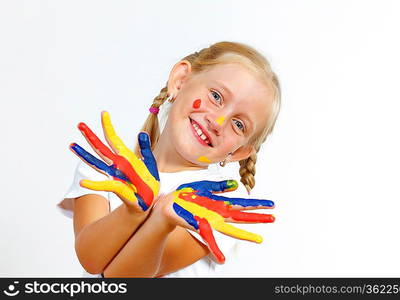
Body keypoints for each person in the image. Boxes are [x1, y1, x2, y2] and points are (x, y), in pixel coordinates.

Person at [58, 41, 281, 277]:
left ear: (238, 153)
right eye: (216, 96)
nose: (218, 123)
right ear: (180, 80)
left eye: (238, 124)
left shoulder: (220, 202)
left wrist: (162, 219)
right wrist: (132, 212)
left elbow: (122, 278)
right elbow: (91, 261)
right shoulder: (109, 166)